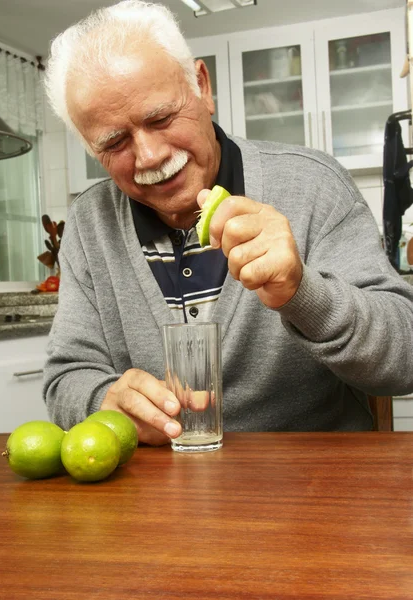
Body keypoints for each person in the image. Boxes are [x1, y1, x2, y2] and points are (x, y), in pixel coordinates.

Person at [43, 0, 413, 445]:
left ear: (201, 86)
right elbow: (65, 378)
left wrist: (303, 292)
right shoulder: (88, 225)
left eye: (160, 118)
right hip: (160, 500)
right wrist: (102, 400)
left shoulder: (314, 184)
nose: (149, 156)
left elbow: (405, 358)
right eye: (115, 142)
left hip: (315, 492)